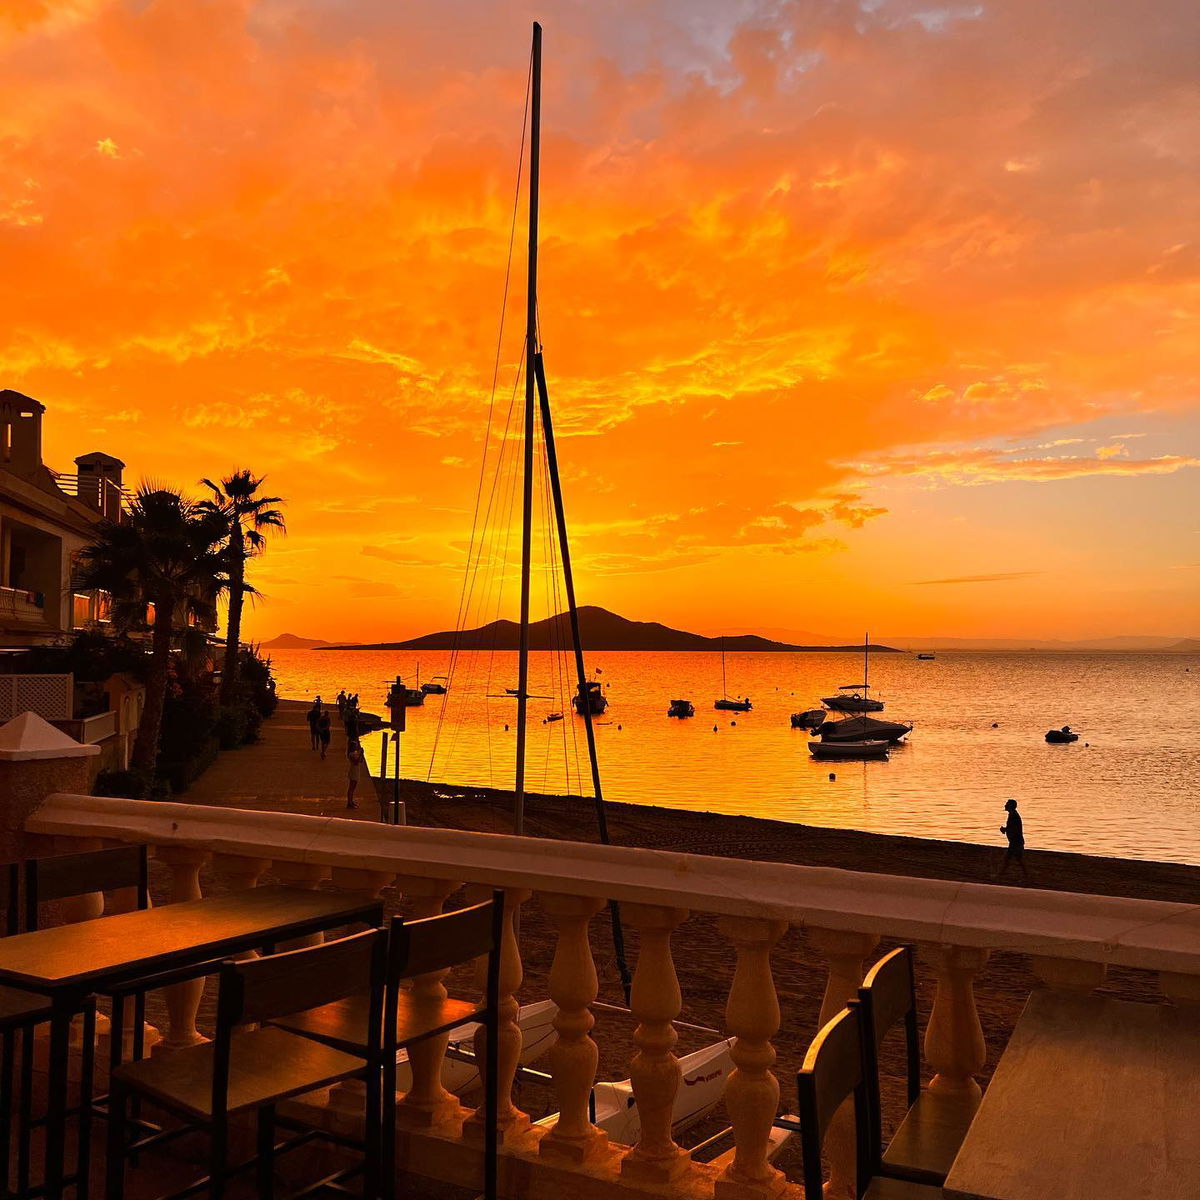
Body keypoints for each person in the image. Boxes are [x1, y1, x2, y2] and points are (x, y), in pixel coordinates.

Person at [996, 798, 1028, 880]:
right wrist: (1006, 829)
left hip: (1015, 842)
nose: (1005, 805)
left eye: (1007, 804)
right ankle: (1026, 875)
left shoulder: (1013, 815)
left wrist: (1005, 829)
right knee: (1016, 859)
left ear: (1011, 806)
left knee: (1008, 858)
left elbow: (1014, 828)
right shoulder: (1012, 815)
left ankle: (1000, 874)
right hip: (1016, 841)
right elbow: (1012, 827)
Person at [345, 738, 364, 809]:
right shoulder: (351, 754)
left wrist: (361, 754)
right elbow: (356, 762)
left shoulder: (355, 753)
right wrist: (360, 754)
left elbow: (360, 761)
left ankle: (351, 801)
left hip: (356, 771)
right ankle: (349, 802)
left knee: (353, 788)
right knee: (351, 788)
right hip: (353, 771)